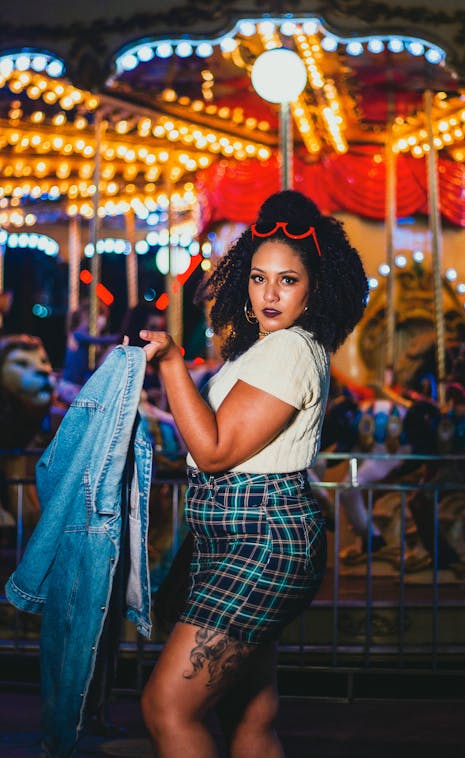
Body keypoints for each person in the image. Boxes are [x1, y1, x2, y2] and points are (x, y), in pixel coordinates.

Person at [138, 190, 368, 758]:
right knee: (248, 715)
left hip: (260, 538)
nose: (269, 293)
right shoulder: (265, 348)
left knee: (168, 707)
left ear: (315, 286)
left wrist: (170, 365)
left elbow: (214, 451)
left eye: (287, 280)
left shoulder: (290, 349)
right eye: (259, 277)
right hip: (237, 533)